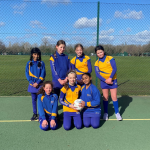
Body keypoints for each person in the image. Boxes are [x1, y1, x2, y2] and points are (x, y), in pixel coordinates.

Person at [94, 45, 122, 121]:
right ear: (96, 54)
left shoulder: (110, 58)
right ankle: (106, 113)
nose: (100, 54)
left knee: (114, 97)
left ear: (104, 51)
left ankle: (117, 113)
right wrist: (106, 80)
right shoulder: (97, 63)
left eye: (101, 52)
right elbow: (97, 74)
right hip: (104, 82)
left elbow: (114, 68)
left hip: (113, 80)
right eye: (98, 53)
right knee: (105, 97)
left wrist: (110, 78)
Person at [25, 47, 46, 121]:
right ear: (32, 54)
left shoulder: (41, 63)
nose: (36, 56)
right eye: (35, 54)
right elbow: (27, 73)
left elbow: (43, 74)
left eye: (38, 54)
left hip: (39, 85)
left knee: (40, 99)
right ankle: (35, 113)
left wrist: (37, 82)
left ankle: (41, 114)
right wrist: (31, 82)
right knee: (33, 100)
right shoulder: (29, 63)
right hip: (32, 85)